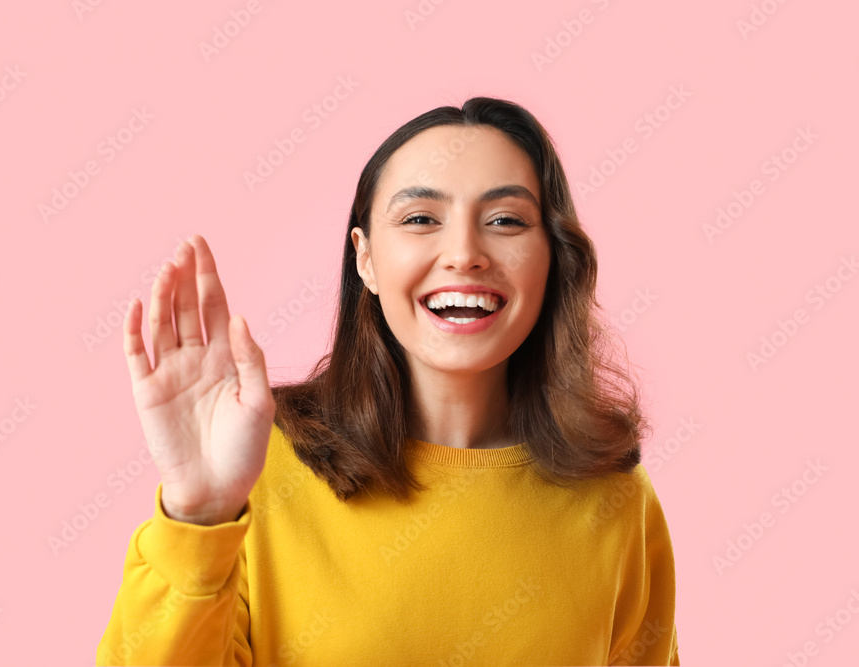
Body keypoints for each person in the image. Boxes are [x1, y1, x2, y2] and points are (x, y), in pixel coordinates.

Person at [96, 96, 680, 666]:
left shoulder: (616, 499)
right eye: (421, 219)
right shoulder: (262, 471)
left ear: (552, 257)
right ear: (366, 259)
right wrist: (199, 517)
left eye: (505, 220)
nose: (464, 254)